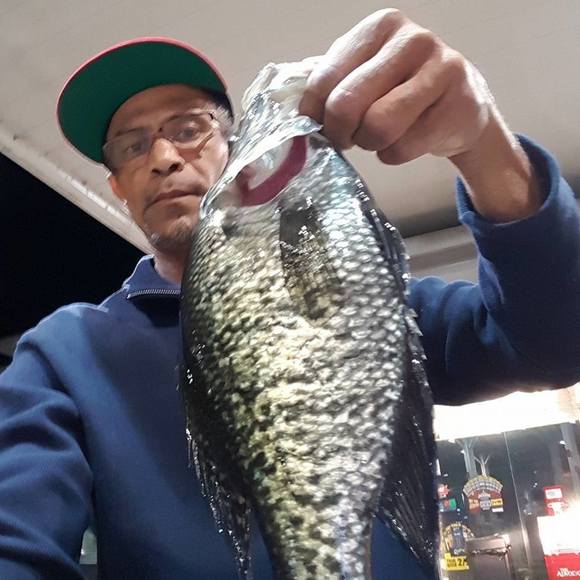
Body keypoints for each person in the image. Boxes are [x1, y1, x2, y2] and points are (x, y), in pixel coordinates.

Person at [1, 9, 579, 580]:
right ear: (117, 187)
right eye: (131, 147)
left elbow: (553, 343)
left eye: (188, 129)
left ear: (232, 146)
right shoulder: (65, 353)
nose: (163, 158)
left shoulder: (368, 301)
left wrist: (483, 146)